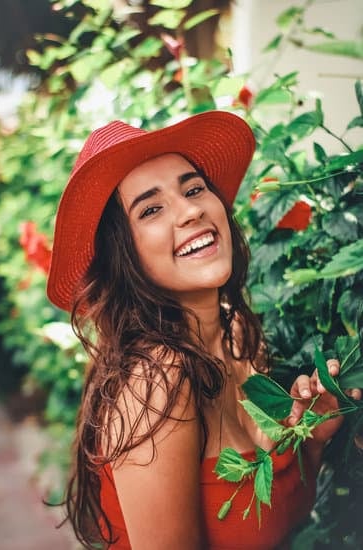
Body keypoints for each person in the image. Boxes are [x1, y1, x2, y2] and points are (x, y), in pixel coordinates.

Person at [47, 111, 348, 550]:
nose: (190, 210)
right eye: (151, 209)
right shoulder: (155, 382)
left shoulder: (238, 334)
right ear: (122, 256)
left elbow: (276, 521)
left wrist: (313, 441)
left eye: (193, 188)